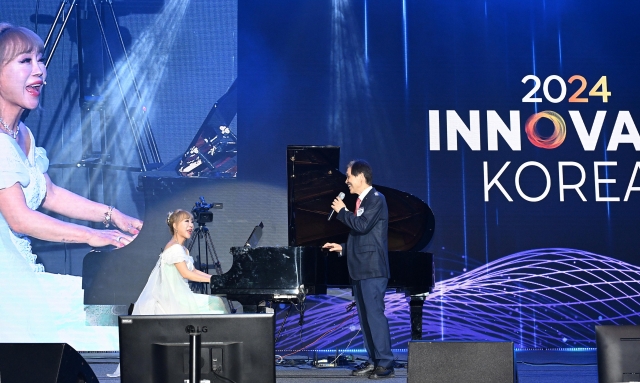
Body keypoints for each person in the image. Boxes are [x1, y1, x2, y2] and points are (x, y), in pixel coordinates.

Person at [0, 22, 143, 348]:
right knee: (107, 331)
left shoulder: (20, 134)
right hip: (7, 292)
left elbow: (47, 192)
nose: (40, 71)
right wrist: (95, 236)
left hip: (22, 279)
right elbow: (20, 219)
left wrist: (112, 215)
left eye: (40, 59)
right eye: (25, 61)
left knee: (117, 320)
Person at [108, 209, 227, 377]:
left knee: (216, 303)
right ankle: (214, 358)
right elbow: (187, 274)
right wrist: (214, 280)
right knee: (216, 304)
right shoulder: (174, 249)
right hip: (174, 299)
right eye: (186, 221)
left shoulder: (182, 250)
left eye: (191, 221)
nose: (191, 225)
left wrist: (216, 278)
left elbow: (194, 270)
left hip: (180, 295)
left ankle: (210, 357)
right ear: (175, 225)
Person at [323, 159, 395, 379]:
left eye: (348, 176)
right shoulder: (362, 202)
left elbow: (362, 226)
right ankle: (374, 360)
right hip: (361, 269)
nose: (346, 182)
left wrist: (342, 211)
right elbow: (364, 237)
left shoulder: (376, 199)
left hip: (373, 270)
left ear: (361, 177)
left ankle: (386, 362)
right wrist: (343, 248)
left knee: (374, 316)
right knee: (365, 319)